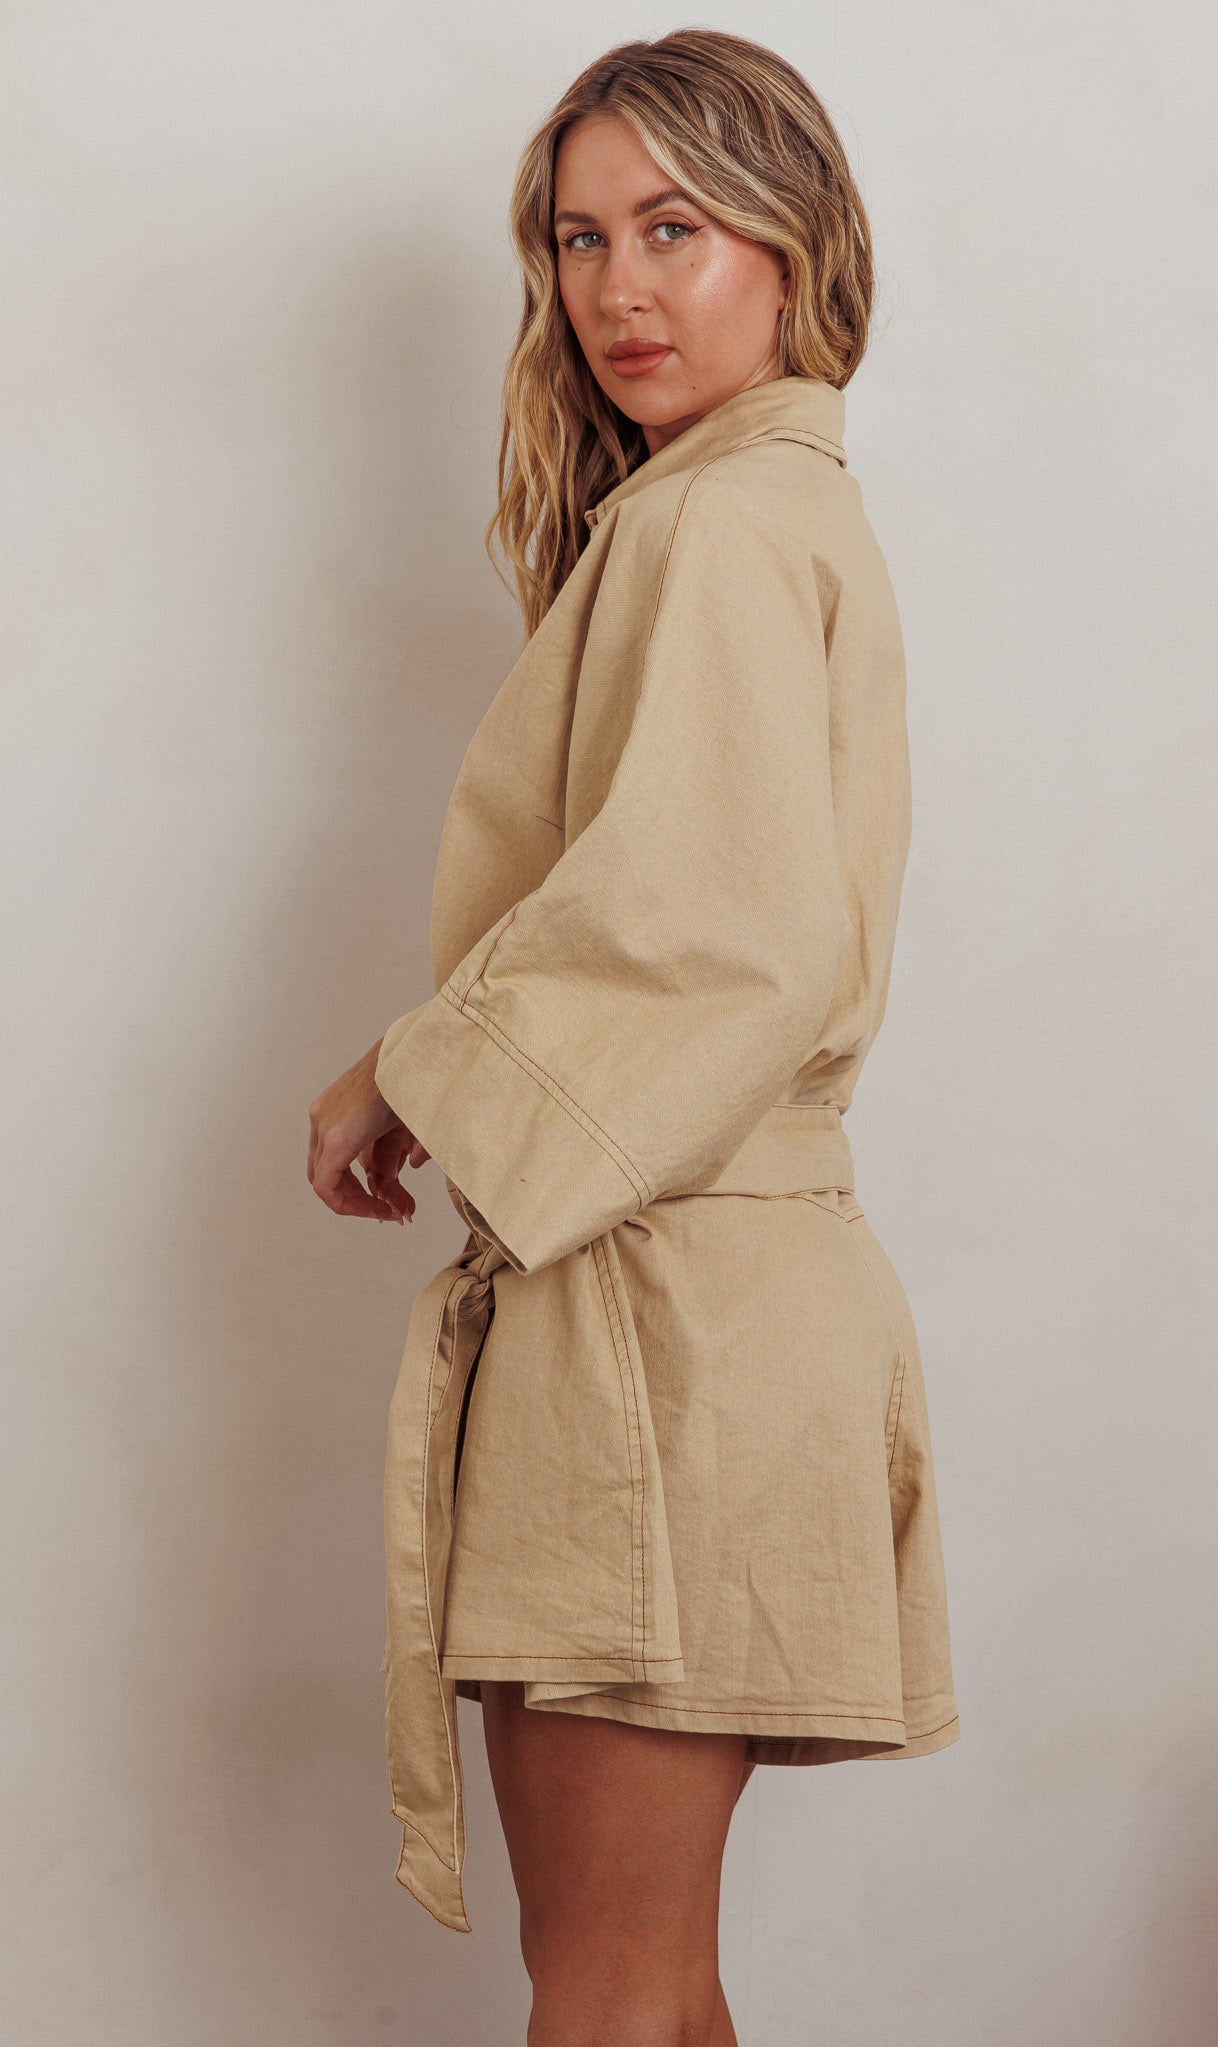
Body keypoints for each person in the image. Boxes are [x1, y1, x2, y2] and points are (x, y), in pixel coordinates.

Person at [307, 28, 959, 2046]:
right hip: (727, 1304)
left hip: (663, 1324)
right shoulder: (767, 510)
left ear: (792, 243)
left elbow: (722, 931)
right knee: (650, 1988)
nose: (615, 287)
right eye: (581, 239)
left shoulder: (714, 526)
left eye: (673, 227)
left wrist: (415, 1065)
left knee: (604, 1993)